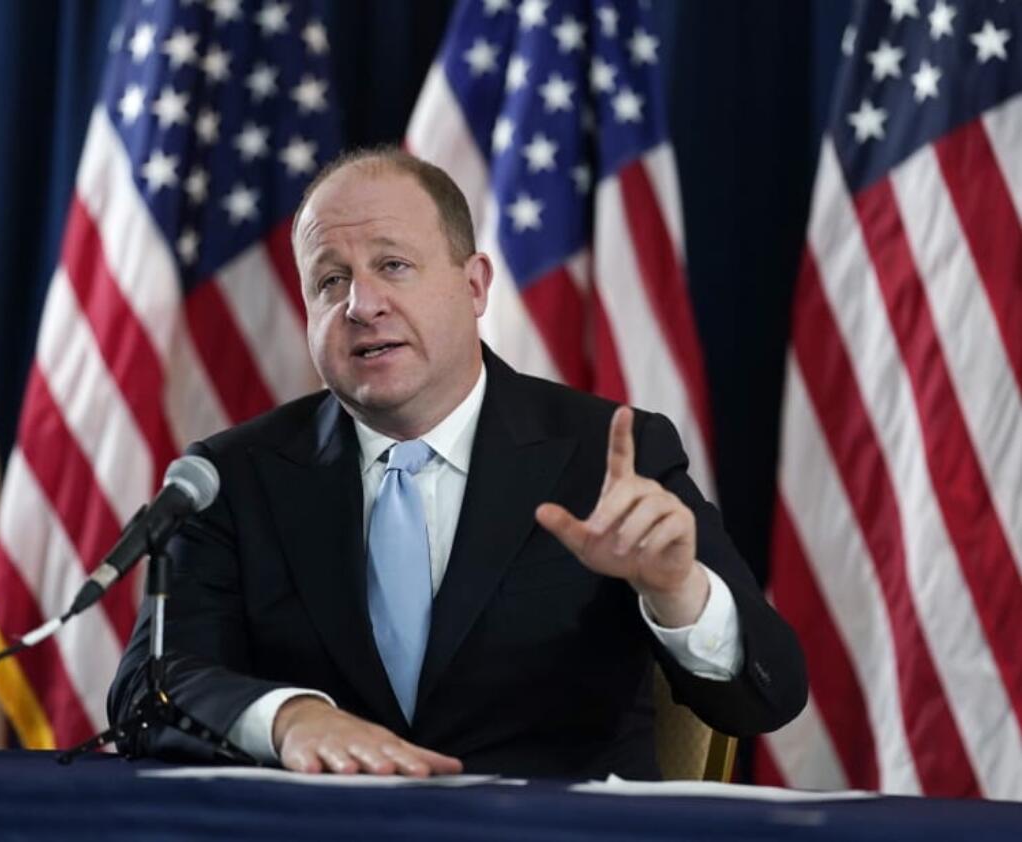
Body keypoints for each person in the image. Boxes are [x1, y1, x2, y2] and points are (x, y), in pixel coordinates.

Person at [108, 148, 807, 779]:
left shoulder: (608, 455)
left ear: (474, 286)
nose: (361, 305)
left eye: (393, 265)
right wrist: (291, 718)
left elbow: (767, 696)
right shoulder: (232, 478)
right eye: (329, 280)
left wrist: (676, 591)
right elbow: (151, 683)